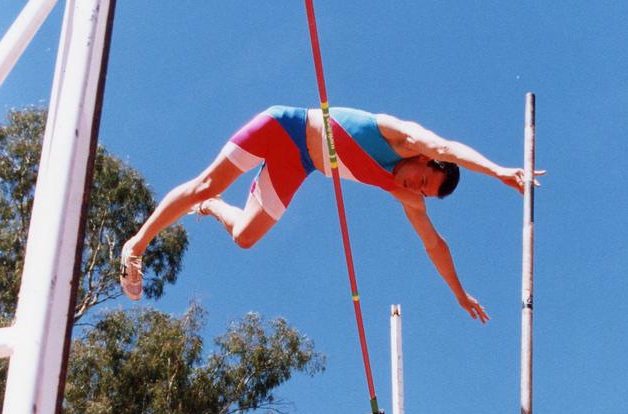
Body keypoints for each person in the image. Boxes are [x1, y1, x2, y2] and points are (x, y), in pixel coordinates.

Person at [120, 106, 543, 323]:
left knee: (245, 236)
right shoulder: (402, 136)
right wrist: (497, 170)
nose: (418, 189)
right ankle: (136, 246)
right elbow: (448, 147)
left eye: (425, 194)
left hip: (299, 164)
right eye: (424, 180)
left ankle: (211, 209)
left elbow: (434, 243)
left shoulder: (404, 194)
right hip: (282, 127)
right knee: (206, 182)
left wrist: (458, 293)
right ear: (427, 161)